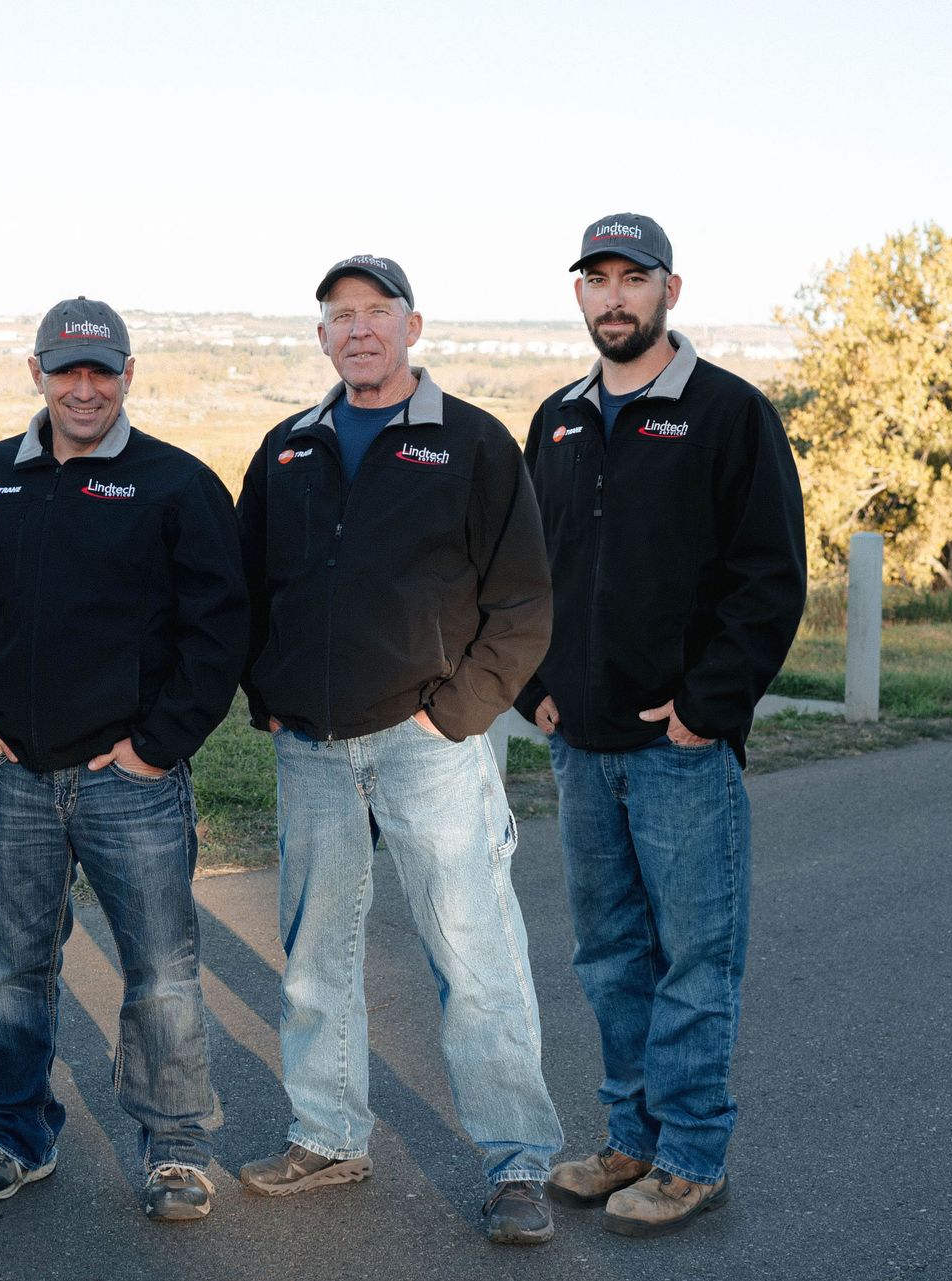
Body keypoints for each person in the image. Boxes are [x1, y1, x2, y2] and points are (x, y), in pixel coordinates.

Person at [234, 255, 564, 1244]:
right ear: (322, 337)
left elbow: (524, 605)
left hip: (431, 745)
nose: (360, 330)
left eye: (378, 312)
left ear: (414, 327)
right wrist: (271, 696)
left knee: (475, 954)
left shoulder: (470, 444)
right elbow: (243, 593)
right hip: (313, 751)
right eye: (341, 316)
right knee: (313, 959)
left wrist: (454, 715)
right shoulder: (287, 450)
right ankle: (328, 1137)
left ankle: (518, 1165)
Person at [0, 298, 247, 1222]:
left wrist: (157, 749)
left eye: (100, 370)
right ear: (36, 370)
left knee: (161, 971)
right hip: (14, 779)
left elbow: (218, 631)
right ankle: (14, 1134)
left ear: (127, 373)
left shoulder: (176, 484)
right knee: (11, 969)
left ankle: (177, 1146)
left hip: (130, 784)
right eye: (65, 369)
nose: (82, 387)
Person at [520, 213, 805, 1238]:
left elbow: (769, 582)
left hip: (678, 751)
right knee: (610, 956)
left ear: (669, 292)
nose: (613, 297)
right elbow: (528, 575)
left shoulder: (730, 414)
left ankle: (690, 1157)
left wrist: (704, 712)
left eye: (631, 279)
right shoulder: (555, 418)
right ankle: (631, 1138)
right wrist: (533, 690)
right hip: (580, 747)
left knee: (695, 960)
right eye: (596, 280)